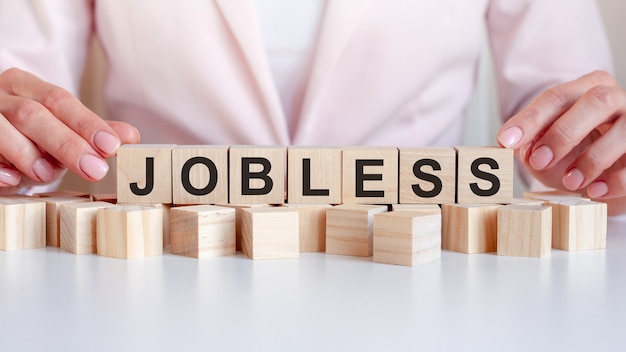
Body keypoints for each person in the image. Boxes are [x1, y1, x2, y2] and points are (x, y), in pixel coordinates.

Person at [0, 1, 624, 214]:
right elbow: (19, 83)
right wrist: (16, 137)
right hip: (163, 266)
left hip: (428, 275)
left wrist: (592, 155)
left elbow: (567, 108)